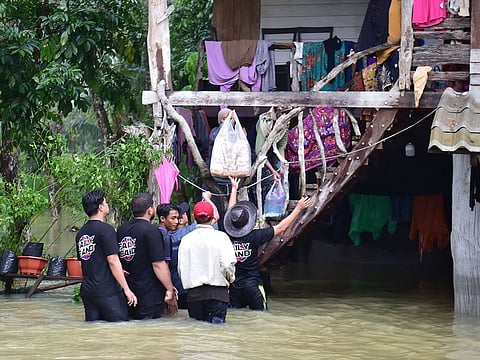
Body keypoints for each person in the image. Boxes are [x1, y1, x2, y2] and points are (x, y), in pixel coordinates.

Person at [223, 177, 312, 310]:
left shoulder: (227, 234)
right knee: (261, 316)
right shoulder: (254, 236)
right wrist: (298, 209)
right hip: (253, 286)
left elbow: (231, 213)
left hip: (235, 288)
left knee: (237, 315)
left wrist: (234, 189)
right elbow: (281, 228)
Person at [75, 189, 137, 322]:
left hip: (88, 290)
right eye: (106, 202)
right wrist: (127, 289)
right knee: (120, 327)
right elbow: (113, 260)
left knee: (94, 329)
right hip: (106, 290)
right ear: (101, 207)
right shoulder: (106, 230)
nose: (107, 204)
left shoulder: (81, 233)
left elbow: (82, 263)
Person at [117, 192, 178, 319]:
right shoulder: (151, 231)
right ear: (150, 210)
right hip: (149, 294)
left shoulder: (122, 229)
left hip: (127, 292)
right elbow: (158, 264)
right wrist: (169, 289)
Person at [177, 200, 236, 324]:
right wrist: (230, 280)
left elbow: (181, 269)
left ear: (194, 217)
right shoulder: (222, 237)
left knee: (197, 335)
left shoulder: (186, 240)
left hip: (194, 295)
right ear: (213, 217)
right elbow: (227, 265)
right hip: (217, 294)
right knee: (216, 335)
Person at [169, 193, 220, 309]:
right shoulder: (189, 232)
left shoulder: (168, 237)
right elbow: (214, 216)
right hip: (197, 287)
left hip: (178, 288)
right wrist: (207, 199)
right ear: (180, 220)